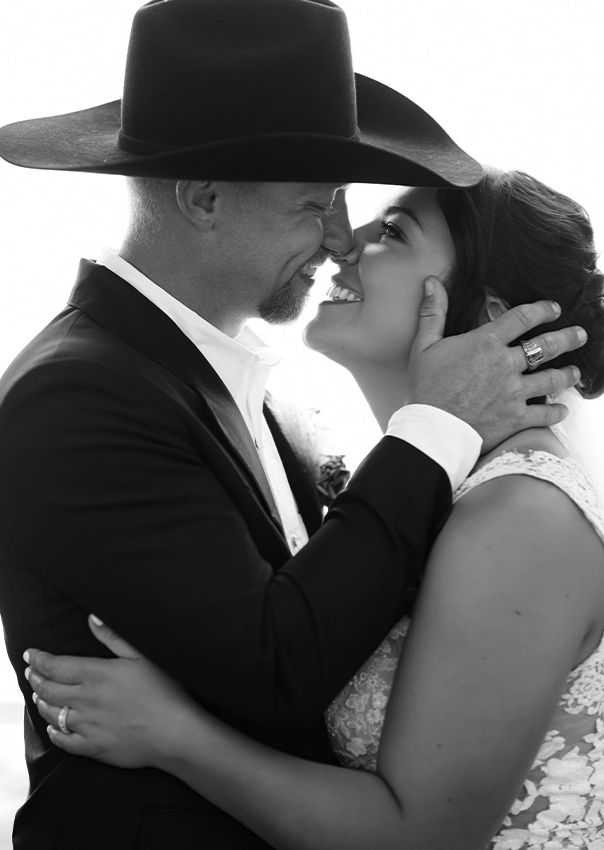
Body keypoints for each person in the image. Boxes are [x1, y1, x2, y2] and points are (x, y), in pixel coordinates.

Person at [0, 0, 583, 846]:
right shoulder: (78, 396)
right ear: (203, 197)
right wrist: (432, 428)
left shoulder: (252, 394)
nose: (340, 241)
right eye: (319, 202)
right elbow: (277, 669)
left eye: (361, 213)